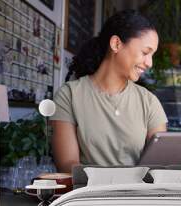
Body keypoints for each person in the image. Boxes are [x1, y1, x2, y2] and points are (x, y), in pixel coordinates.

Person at [50, 10, 168, 172]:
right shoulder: (69, 95)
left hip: (137, 196)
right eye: (145, 53)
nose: (149, 63)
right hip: (88, 196)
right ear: (116, 44)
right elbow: (67, 166)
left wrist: (175, 168)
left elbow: (159, 164)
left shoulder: (149, 102)